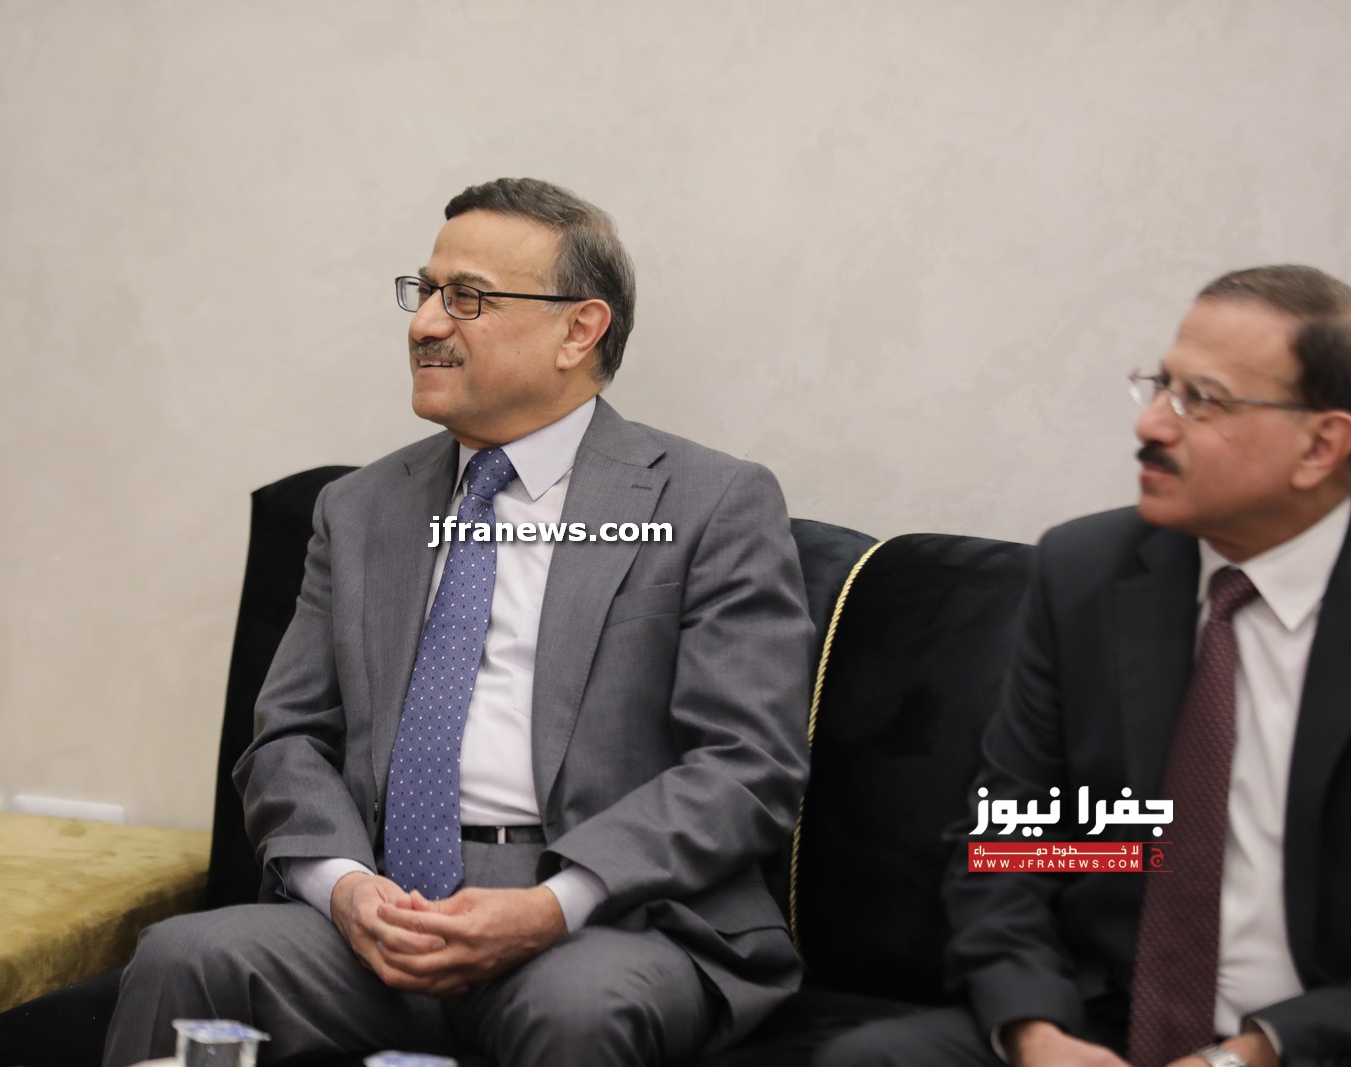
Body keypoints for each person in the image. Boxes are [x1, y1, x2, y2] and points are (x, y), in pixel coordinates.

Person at [103, 178, 816, 1067]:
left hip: (610, 919)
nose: (426, 323)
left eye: (468, 298)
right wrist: (345, 889)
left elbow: (747, 764)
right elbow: (288, 738)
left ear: (578, 330)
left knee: (577, 1009)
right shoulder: (359, 509)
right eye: (426, 290)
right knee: (185, 957)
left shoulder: (709, 502)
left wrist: (552, 904)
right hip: (381, 911)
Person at [815, 264, 1351, 1067]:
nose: (1153, 425)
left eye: (1202, 399)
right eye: (1161, 386)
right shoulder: (1089, 571)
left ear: (1320, 445)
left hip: (1312, 1040)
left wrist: (1255, 1053)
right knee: (875, 1059)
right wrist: (1036, 1031)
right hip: (1110, 1019)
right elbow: (1014, 837)